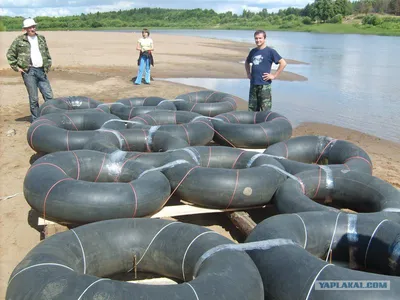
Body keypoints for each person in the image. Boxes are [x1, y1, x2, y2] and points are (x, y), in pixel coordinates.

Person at [6, 18, 53, 122]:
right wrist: (16, 67)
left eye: (34, 26)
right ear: (25, 29)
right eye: (31, 27)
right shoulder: (19, 40)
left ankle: (51, 117)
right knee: (34, 98)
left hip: (41, 70)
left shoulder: (41, 38)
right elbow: (10, 54)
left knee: (49, 95)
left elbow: (46, 52)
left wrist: (48, 64)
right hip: (29, 72)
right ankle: (36, 120)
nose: (33, 28)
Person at [245, 30, 287, 111]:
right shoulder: (253, 51)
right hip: (253, 84)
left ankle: (264, 123)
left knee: (265, 110)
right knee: (252, 110)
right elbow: (247, 62)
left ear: (264, 39)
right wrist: (248, 73)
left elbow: (283, 63)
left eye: (260, 38)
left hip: (264, 85)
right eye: (256, 38)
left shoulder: (270, 51)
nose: (258, 40)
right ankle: (253, 123)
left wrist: (274, 76)